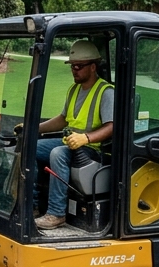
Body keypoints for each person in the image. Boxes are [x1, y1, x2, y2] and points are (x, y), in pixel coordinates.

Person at [34, 40, 114, 230]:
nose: (74, 70)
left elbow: (112, 126)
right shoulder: (74, 89)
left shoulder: (106, 92)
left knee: (58, 154)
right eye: (72, 66)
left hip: (93, 150)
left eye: (78, 66)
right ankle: (34, 205)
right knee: (31, 147)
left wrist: (86, 138)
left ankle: (56, 213)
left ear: (93, 67)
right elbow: (63, 119)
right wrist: (34, 128)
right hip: (70, 144)